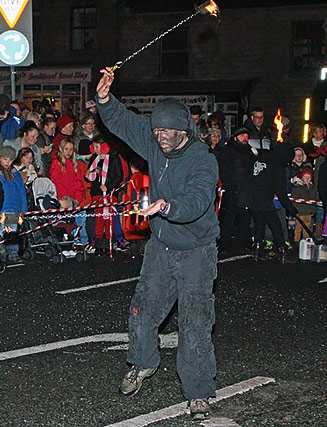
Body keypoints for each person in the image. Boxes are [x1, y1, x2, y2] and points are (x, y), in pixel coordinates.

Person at [95, 67, 219, 421]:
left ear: (184, 130)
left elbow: (197, 201)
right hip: (161, 247)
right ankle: (142, 363)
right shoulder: (153, 139)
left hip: (197, 250)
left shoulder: (202, 159)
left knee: (195, 323)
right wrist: (104, 98)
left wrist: (167, 206)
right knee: (143, 311)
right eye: (157, 130)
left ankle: (198, 392)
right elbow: (121, 120)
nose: (161, 136)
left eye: (168, 131)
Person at [49, 139, 87, 247]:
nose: (68, 152)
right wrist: (64, 198)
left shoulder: (75, 164)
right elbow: (57, 182)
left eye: (71, 149)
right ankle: (71, 241)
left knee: (81, 216)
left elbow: (79, 183)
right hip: (63, 199)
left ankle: (80, 241)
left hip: (75, 199)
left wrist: (77, 198)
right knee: (67, 222)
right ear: (61, 149)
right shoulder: (56, 164)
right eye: (66, 149)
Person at [0, 146, 27, 264]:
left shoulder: (15, 174)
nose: (7, 162)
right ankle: (0, 254)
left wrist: (23, 209)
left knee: (12, 232)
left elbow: (21, 191)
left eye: (10, 160)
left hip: (14, 207)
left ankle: (13, 253)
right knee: (0, 232)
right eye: (5, 159)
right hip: (1, 207)